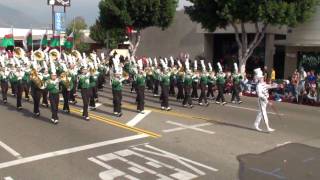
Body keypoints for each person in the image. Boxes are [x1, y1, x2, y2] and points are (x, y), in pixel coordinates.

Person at [253, 68, 277, 132]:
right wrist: (267, 101)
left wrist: (276, 85)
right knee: (264, 113)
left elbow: (268, 86)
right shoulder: (258, 86)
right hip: (262, 101)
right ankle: (268, 127)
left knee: (260, 113)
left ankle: (256, 124)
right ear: (259, 79)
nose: (263, 78)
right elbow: (260, 95)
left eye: (262, 77)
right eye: (261, 78)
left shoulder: (263, 83)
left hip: (265, 100)